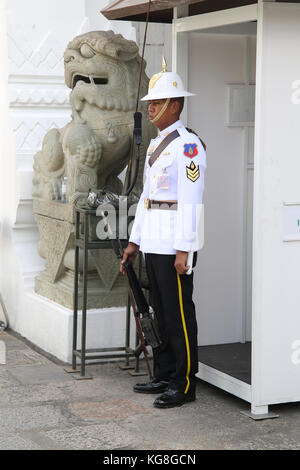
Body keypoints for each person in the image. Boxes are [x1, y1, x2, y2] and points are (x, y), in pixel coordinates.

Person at [121, 60, 207, 408]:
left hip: (175, 244)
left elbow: (190, 201)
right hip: (154, 240)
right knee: (158, 311)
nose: (151, 108)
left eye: (156, 103)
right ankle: (165, 372)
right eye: (150, 104)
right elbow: (146, 199)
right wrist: (134, 240)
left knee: (178, 314)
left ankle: (184, 383)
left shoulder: (189, 147)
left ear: (175, 105)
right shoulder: (157, 145)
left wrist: (184, 249)